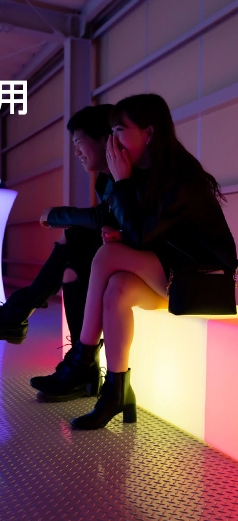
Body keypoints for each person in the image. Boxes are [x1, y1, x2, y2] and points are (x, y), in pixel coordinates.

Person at [43, 93, 237, 430]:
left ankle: (83, 356)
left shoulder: (181, 177)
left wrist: (122, 185)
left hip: (205, 280)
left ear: (148, 133)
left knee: (107, 255)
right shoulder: (143, 174)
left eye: (119, 130)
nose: (112, 140)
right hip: (174, 275)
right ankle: (116, 391)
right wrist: (120, 226)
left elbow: (141, 237)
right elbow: (140, 230)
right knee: (117, 289)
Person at [0, 104, 118, 401]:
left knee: (74, 238)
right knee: (71, 271)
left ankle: (19, 313)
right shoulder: (107, 179)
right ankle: (81, 366)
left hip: (149, 257)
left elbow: (107, 218)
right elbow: (106, 219)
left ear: (104, 138)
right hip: (119, 250)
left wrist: (56, 214)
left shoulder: (127, 174)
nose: (77, 152)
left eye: (79, 142)